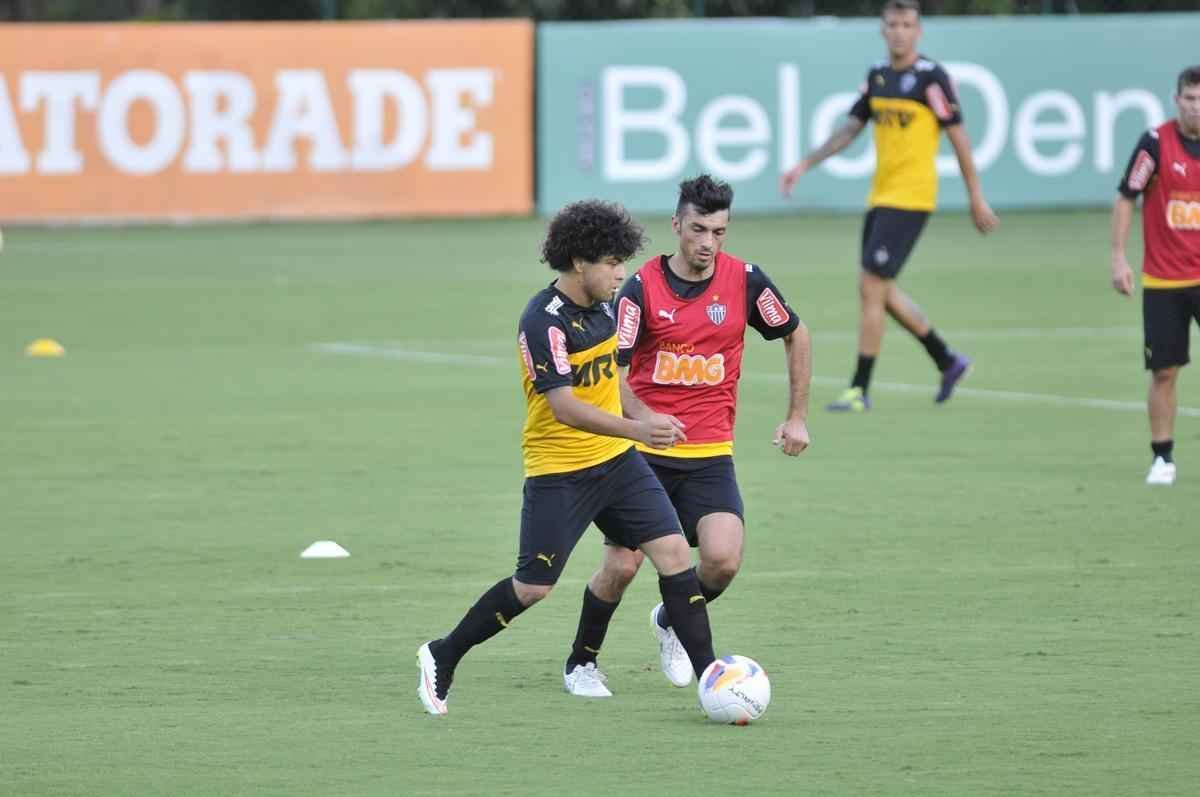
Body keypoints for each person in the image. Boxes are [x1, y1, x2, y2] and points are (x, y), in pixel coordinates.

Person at [417, 199, 719, 715]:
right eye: (611, 263)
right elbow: (565, 408)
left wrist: (645, 419)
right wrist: (640, 429)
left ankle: (713, 678)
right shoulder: (543, 322)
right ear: (579, 261)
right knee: (533, 587)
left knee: (673, 556)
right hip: (560, 472)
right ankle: (443, 654)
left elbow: (612, 382)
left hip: (619, 462)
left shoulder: (605, 308)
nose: (621, 274)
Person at [561, 175, 812, 696]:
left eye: (719, 231)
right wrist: (642, 421)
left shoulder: (746, 281)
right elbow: (616, 368)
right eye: (698, 228)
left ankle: (672, 618)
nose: (708, 242)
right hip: (644, 457)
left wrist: (796, 416)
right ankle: (581, 662)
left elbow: (795, 333)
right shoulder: (639, 289)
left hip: (711, 452)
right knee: (622, 565)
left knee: (722, 561)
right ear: (677, 225)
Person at [780, 0, 998, 413]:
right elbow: (850, 129)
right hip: (881, 196)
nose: (899, 31)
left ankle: (860, 388)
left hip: (912, 197)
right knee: (880, 290)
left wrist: (975, 197)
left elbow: (959, 138)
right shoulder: (878, 76)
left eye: (907, 24)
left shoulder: (931, 78)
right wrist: (804, 165)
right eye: (893, 24)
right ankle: (946, 360)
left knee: (870, 287)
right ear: (882, 29)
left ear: (918, 31)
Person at [1111, 65, 1200, 487]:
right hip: (1164, 280)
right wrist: (1118, 258)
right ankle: (1162, 457)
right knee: (1164, 371)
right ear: (1176, 100)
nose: (1197, 108)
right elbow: (1127, 196)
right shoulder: (1155, 143)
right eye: (1190, 99)